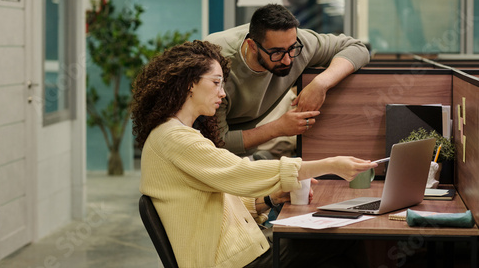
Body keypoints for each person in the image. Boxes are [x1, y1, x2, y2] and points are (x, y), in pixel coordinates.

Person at [131, 40, 376, 268]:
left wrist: (271, 199)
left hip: (239, 250)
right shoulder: (174, 138)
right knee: (345, 239)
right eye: (216, 82)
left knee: (336, 241)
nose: (223, 93)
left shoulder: (178, 133)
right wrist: (330, 164)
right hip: (231, 261)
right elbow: (242, 173)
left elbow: (223, 199)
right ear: (190, 84)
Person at [204, 4, 370, 156]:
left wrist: (321, 83)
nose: (288, 60)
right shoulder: (214, 63)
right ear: (252, 46)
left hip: (243, 154)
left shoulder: (298, 43)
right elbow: (216, 142)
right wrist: (278, 128)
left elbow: (357, 48)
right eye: (276, 52)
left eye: (292, 49)